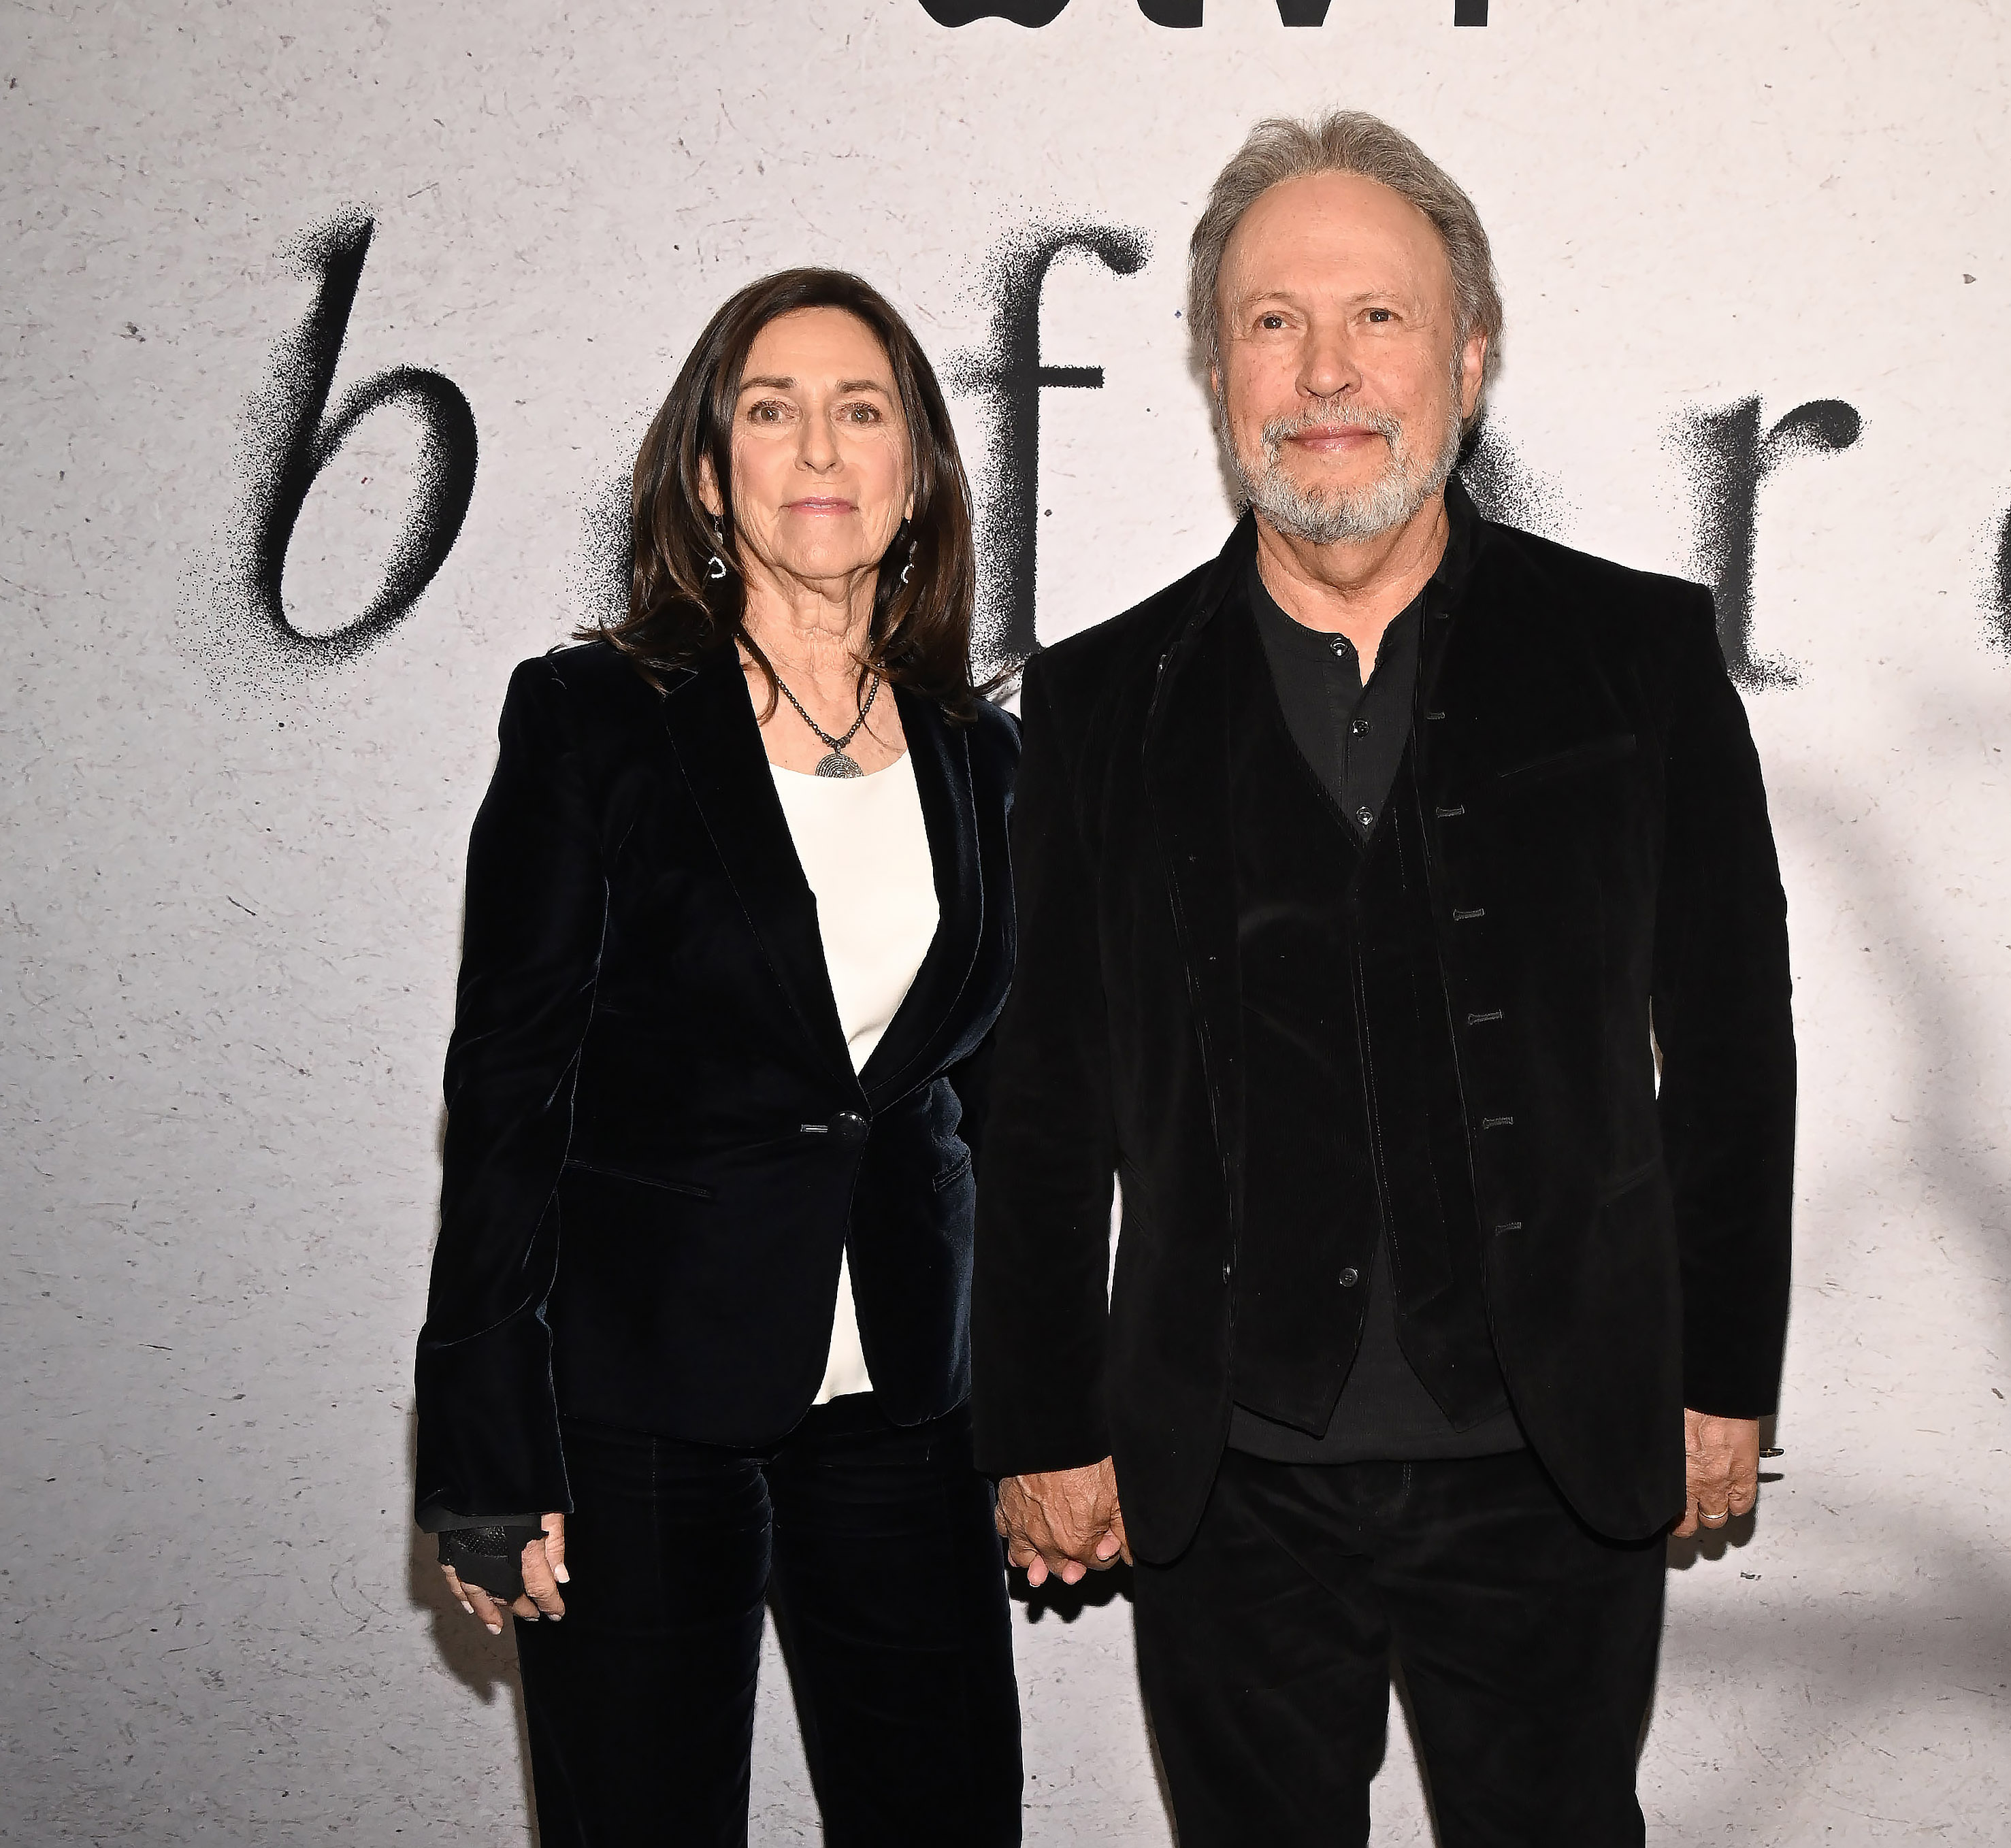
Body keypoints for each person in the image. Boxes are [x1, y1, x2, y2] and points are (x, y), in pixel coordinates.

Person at [970, 114, 1795, 1846]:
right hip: (1226, 1481)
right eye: (1273, 321)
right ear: (1216, 369)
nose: (1326, 370)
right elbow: (1043, 1098)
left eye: (1382, 319)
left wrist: (1724, 1375)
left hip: (1553, 1458)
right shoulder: (1105, 702)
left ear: (1470, 355)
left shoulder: (1637, 656)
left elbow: (1729, 1049)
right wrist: (1040, 1413)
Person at [414, 268, 1024, 1847]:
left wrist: (1050, 1410)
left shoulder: (983, 749)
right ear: (709, 470)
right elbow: (505, 1089)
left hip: (903, 1400)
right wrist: (488, 1437)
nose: (818, 442)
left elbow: (998, 1105)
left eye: (862, 407)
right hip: (638, 1401)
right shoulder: (593, 720)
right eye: (771, 409)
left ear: (918, 473)